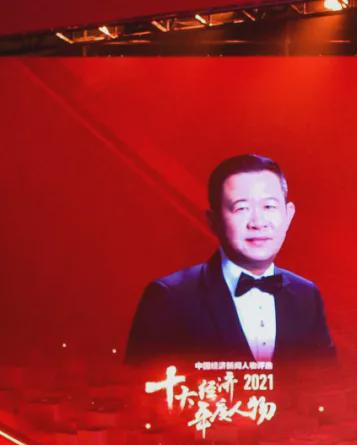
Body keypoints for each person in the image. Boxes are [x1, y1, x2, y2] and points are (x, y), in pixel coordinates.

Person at [125, 154, 335, 366]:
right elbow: (142, 384)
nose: (258, 222)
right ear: (213, 221)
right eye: (241, 208)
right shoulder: (168, 298)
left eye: (269, 207)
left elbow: (328, 381)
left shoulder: (306, 296)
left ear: (288, 215)